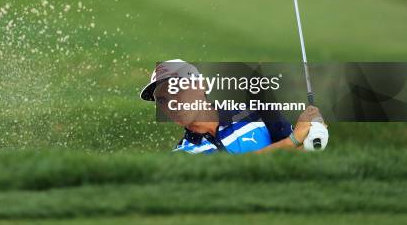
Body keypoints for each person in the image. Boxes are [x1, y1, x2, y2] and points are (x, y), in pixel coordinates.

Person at [140, 60, 327, 154]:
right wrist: (291, 142)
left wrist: (314, 136)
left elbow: (297, 154)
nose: (172, 102)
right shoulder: (184, 153)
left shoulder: (256, 111)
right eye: (162, 100)